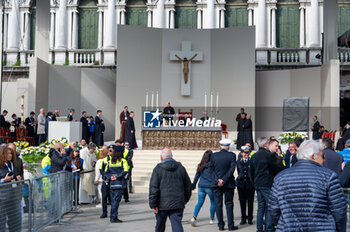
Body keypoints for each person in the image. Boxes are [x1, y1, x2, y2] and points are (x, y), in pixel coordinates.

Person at [268, 140, 347, 232]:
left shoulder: (280, 177)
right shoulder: (329, 176)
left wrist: (285, 224)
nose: (324, 159)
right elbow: (339, 211)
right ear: (313, 156)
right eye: (323, 156)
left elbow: (273, 209)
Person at [149, 148, 192, 232]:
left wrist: (153, 204)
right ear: (172, 156)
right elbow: (188, 186)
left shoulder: (158, 169)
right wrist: (186, 199)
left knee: (160, 226)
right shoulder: (180, 168)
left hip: (161, 204)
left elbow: (154, 188)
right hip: (177, 202)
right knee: (177, 226)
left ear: (161, 157)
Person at [250, 137, 283, 232]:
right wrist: (279, 157)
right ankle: (269, 228)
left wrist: (254, 183)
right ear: (265, 145)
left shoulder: (254, 156)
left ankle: (259, 228)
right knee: (269, 206)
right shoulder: (269, 155)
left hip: (258, 184)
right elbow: (276, 168)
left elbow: (250, 172)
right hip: (267, 184)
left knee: (261, 207)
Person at [209, 139, 238, 231]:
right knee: (229, 204)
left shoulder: (214, 155)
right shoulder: (232, 155)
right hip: (228, 183)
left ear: (220, 146)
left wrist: (218, 180)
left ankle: (221, 225)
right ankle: (230, 225)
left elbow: (211, 169)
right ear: (228, 146)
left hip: (216, 184)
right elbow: (232, 169)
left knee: (218, 204)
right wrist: (224, 180)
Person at [190, 150, 216, 227]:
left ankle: (194, 217)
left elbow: (196, 177)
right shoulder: (212, 165)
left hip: (201, 186)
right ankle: (212, 219)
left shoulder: (200, 165)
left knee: (199, 202)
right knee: (213, 202)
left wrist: (193, 185)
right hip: (210, 186)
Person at [0, 145, 22, 231]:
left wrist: (17, 179)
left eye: (11, 153)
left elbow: (13, 177)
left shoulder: (11, 164)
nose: (10, 155)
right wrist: (3, 180)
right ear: (2, 154)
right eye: (7, 153)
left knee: (14, 219)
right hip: (2, 197)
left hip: (13, 196)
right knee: (1, 221)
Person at [104, 146, 129, 223]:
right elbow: (125, 171)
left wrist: (111, 177)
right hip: (120, 183)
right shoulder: (123, 161)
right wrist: (117, 176)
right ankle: (114, 217)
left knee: (113, 201)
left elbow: (105, 172)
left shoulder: (109, 162)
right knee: (116, 202)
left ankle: (112, 216)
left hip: (112, 183)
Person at [236, 146, 254, 225]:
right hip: (241, 184)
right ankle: (243, 218)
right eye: (245, 153)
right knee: (242, 202)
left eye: (247, 153)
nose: (246, 154)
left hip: (250, 184)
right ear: (241, 153)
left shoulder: (251, 161)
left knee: (250, 202)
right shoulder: (238, 162)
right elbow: (239, 172)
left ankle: (249, 218)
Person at [99, 145, 114, 218]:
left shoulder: (116, 159)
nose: (110, 152)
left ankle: (113, 213)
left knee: (113, 198)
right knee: (104, 197)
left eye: (111, 151)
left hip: (113, 181)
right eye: (109, 151)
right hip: (106, 180)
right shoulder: (104, 160)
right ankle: (104, 212)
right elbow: (101, 170)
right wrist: (106, 176)